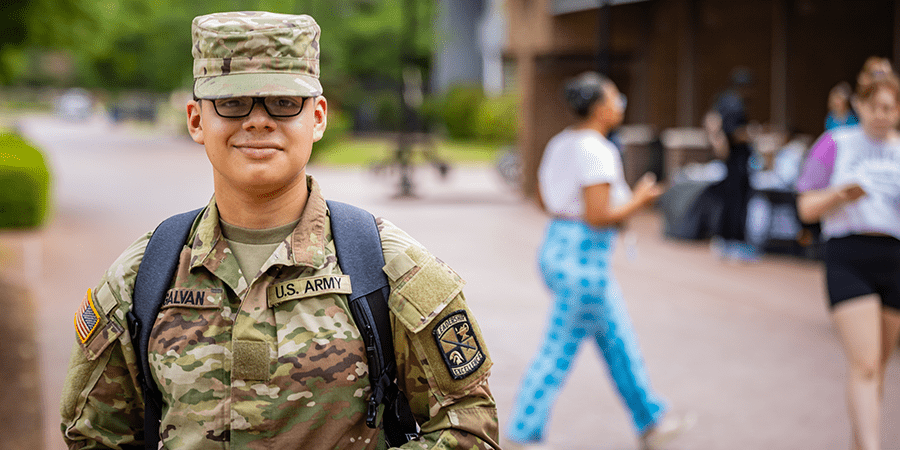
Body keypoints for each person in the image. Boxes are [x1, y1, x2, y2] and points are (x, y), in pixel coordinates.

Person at [59, 11, 499, 449]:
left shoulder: (386, 268)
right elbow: (92, 436)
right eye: (231, 103)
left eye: (284, 103)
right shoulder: (144, 275)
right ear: (196, 120)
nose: (258, 121)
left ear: (318, 117)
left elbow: (469, 426)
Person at [505, 72, 693, 450]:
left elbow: (546, 200)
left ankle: (650, 422)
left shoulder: (562, 143)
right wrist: (640, 199)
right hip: (584, 259)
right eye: (614, 97)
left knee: (618, 343)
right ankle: (521, 433)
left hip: (560, 246)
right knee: (559, 349)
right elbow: (597, 214)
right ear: (600, 108)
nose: (619, 103)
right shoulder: (596, 149)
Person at [796, 71, 900, 450]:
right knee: (866, 365)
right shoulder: (835, 144)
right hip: (848, 257)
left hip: (893, 260)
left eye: (890, 108)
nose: (882, 115)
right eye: (875, 107)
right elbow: (806, 207)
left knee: (878, 373)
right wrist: (839, 195)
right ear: (859, 105)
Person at [704, 67, 758, 261]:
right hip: (737, 161)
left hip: (729, 162)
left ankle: (725, 240)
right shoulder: (734, 103)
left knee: (729, 201)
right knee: (736, 203)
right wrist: (750, 134)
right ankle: (734, 242)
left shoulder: (723, 100)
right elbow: (732, 132)